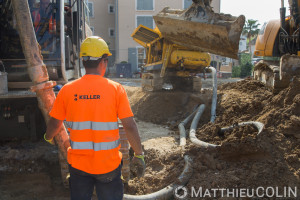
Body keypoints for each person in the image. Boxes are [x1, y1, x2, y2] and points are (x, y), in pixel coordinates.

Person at [45, 36, 145, 200]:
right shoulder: (116, 89)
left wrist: (48, 137)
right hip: (108, 167)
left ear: (83, 62)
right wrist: (139, 154)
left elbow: (55, 122)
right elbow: (130, 126)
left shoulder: (67, 90)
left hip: (78, 167)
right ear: (103, 61)